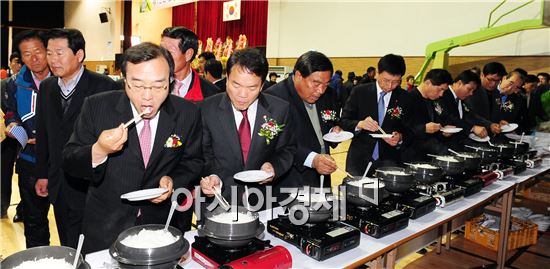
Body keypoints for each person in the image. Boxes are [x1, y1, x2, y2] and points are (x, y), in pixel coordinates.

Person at [62, 42, 204, 254]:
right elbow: (69, 161)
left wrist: (173, 180)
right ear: (125, 81)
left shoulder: (187, 112)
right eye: (137, 85)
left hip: (162, 226)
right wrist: (100, 149)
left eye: (158, 86)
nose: (147, 96)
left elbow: (194, 160)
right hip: (106, 227)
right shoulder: (96, 107)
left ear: (171, 81)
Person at [34, 28, 118, 248]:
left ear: (79, 55)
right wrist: (43, 174)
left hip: (91, 184)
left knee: (94, 245)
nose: (52, 60)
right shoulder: (47, 87)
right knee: (67, 243)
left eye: (59, 53)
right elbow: (43, 133)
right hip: (59, 181)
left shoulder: (104, 86)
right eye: (49, 53)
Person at [200, 48, 296, 208]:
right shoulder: (207, 108)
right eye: (235, 85)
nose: (242, 94)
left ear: (262, 85)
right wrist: (212, 175)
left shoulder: (279, 109)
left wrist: (274, 167)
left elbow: (287, 149)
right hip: (218, 200)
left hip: (263, 200)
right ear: (227, 78)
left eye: (252, 88)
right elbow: (203, 154)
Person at [265, 51, 341, 189]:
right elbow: (276, 143)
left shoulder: (328, 94)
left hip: (322, 178)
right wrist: (312, 159)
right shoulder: (274, 98)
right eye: (316, 83)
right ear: (299, 75)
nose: (321, 90)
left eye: (325, 84)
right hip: (290, 181)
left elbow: (329, 122)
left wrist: (333, 130)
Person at [3, 30, 51, 247]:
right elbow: (10, 112)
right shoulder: (13, 83)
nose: (34, 58)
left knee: (71, 217)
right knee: (34, 221)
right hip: (30, 159)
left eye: (38, 52)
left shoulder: (63, 78)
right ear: (20, 57)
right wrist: (14, 126)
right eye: (27, 54)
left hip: (63, 161)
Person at [340, 54, 407, 175]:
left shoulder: (405, 97)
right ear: (377, 73)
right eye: (386, 80)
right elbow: (344, 121)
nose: (390, 86)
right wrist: (360, 124)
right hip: (359, 159)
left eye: (396, 82)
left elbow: (410, 128)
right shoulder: (360, 92)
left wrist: (400, 138)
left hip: (389, 160)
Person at [401, 69, 453, 162]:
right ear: (428, 83)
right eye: (440, 89)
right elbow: (401, 128)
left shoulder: (434, 100)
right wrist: (423, 129)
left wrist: (443, 129)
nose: (441, 94)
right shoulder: (408, 98)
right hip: (412, 156)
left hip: (430, 153)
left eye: (444, 91)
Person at [160, 27, 220, 102]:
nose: (163, 56)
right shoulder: (150, 85)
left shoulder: (210, 93)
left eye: (170, 52)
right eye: (161, 50)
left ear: (188, 54)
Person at [436, 70, 487, 150]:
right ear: (459, 83)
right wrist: (472, 128)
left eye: (473, 91)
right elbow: (450, 118)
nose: (471, 93)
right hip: (442, 146)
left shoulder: (461, 99)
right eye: (469, 89)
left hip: (457, 145)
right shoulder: (443, 95)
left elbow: (471, 116)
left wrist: (490, 125)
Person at [464, 62, 507, 133]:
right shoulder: (472, 91)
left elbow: (495, 112)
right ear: (482, 75)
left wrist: (499, 122)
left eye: (497, 81)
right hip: (473, 133)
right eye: (490, 80)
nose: (493, 84)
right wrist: (489, 125)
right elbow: (469, 115)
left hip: (489, 135)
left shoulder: (496, 92)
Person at [485, 71, 524, 136]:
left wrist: (502, 123)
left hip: (498, 135)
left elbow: (508, 117)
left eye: (516, 87)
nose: (510, 88)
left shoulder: (515, 100)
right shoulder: (488, 90)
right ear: (504, 78)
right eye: (511, 83)